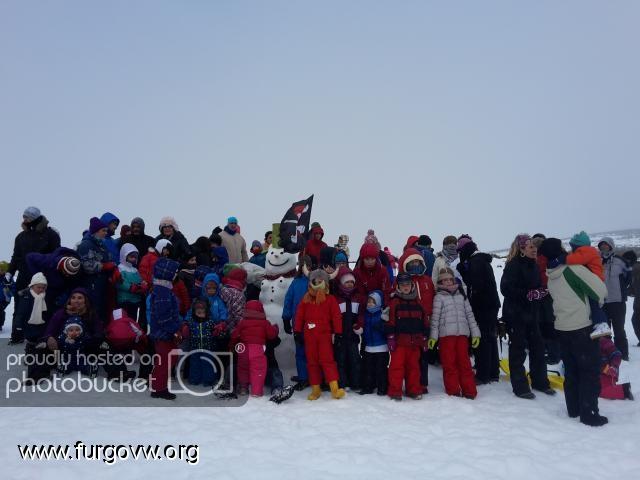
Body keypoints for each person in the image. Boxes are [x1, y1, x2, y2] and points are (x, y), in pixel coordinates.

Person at [540, 238, 609, 426]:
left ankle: (574, 408)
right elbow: (601, 291)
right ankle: (589, 414)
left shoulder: (550, 274)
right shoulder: (573, 270)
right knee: (589, 371)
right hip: (582, 327)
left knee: (571, 370)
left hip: (562, 328)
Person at [500, 234, 554, 399]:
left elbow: (536, 287)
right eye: (530, 247)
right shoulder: (512, 265)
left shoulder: (534, 265)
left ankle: (540, 382)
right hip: (516, 315)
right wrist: (527, 294)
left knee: (538, 348)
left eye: (534, 246)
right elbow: (505, 288)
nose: (534, 249)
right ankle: (520, 387)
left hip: (532, 314)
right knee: (518, 351)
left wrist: (540, 292)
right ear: (522, 249)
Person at [7, 207, 60, 343]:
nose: (24, 220)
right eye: (24, 217)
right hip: (24, 276)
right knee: (20, 306)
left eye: (27, 217)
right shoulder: (21, 236)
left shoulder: (51, 235)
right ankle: (17, 335)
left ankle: (43, 336)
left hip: (42, 277)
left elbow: (56, 256)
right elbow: (16, 256)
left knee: (43, 305)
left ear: (35, 218)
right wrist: (10, 272)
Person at [429, 268, 480, 399]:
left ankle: (469, 390)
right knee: (449, 364)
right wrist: (433, 337)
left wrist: (475, 333)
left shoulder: (461, 296)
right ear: (440, 282)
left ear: (453, 280)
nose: (447, 282)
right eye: (444, 280)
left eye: (449, 279)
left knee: (465, 363)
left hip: (462, 335)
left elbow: (470, 315)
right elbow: (435, 319)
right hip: (446, 336)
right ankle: (453, 390)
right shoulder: (439, 297)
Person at [294, 269, 345, 400]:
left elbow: (336, 317)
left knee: (327, 361)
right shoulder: (306, 299)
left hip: (324, 336)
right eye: (315, 280)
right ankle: (316, 389)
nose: (318, 282)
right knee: (312, 362)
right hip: (309, 336)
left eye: (321, 280)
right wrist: (297, 331)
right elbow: (299, 316)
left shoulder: (330, 299)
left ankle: (335, 389)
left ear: (326, 283)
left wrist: (338, 333)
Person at [456, 238, 501, 384]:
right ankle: (493, 371)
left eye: (460, 252)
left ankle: (483, 374)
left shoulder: (475, 262)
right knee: (490, 337)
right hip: (491, 304)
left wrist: (463, 272)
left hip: (483, 306)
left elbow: (476, 285)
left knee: (483, 339)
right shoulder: (481, 260)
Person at [385, 273, 428, 401]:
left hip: (415, 342)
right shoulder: (395, 302)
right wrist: (391, 337)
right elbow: (390, 321)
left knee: (414, 368)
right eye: (402, 285)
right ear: (398, 286)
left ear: (412, 285)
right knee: (396, 367)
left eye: (408, 284)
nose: (405, 287)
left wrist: (425, 337)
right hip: (399, 342)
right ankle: (395, 391)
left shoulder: (418, 302)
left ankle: (413, 390)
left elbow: (424, 321)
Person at [564, 231, 611, 339]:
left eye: (573, 246)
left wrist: (563, 258)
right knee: (592, 304)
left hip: (594, 282)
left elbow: (573, 260)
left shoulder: (587, 251)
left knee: (594, 303)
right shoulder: (586, 251)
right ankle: (598, 324)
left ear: (577, 245)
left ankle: (602, 324)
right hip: (593, 281)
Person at [149, 257, 182, 400]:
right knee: (165, 360)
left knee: (169, 358)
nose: (176, 274)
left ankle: (158, 385)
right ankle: (158, 388)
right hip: (163, 333)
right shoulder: (163, 292)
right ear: (167, 273)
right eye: (175, 272)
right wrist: (174, 329)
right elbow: (163, 316)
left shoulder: (164, 289)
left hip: (165, 332)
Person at [231, 300, 279, 397]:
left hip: (244, 349)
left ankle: (243, 388)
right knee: (258, 370)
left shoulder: (242, 322)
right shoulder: (264, 323)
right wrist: (275, 328)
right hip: (257, 349)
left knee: (243, 369)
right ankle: (256, 391)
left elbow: (234, 335)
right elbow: (271, 335)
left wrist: (231, 346)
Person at [77, 217, 116, 325]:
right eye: (103, 231)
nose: (105, 233)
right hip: (91, 284)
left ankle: (101, 331)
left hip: (102, 283)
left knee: (102, 310)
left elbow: (109, 258)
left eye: (106, 231)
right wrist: (104, 266)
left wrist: (113, 268)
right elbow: (86, 265)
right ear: (96, 231)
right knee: (93, 310)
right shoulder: (86, 245)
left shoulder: (102, 245)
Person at [599, 237, 632, 361]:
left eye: (606, 245)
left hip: (618, 301)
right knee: (605, 331)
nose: (604, 247)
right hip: (603, 302)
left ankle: (623, 355)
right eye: (601, 245)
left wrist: (622, 289)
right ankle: (608, 354)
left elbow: (628, 277)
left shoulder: (620, 261)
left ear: (611, 246)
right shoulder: (597, 261)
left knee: (619, 330)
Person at [282, 257, 311, 390]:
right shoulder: (296, 282)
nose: (305, 268)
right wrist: (286, 319)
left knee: (311, 351)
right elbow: (288, 300)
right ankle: (303, 377)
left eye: (307, 265)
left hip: (313, 323)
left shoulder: (314, 282)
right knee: (300, 351)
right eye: (303, 265)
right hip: (298, 323)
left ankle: (312, 377)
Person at [25, 247, 82, 313]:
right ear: (62, 266)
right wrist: (39, 277)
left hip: (61, 290)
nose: (67, 275)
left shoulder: (77, 268)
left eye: (70, 274)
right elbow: (29, 257)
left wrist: (67, 296)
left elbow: (74, 284)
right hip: (47, 288)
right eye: (66, 273)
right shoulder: (49, 260)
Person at [333, 267, 363, 391]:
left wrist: (359, 325)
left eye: (351, 282)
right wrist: (334, 332)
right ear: (341, 283)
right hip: (340, 336)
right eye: (347, 282)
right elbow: (333, 317)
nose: (350, 284)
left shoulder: (357, 297)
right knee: (341, 360)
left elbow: (361, 314)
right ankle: (342, 383)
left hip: (353, 336)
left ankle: (356, 382)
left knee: (354, 359)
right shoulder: (336, 299)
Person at [180, 298, 221, 386]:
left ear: (206, 312)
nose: (200, 314)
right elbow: (186, 332)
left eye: (202, 312)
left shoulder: (210, 322)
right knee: (195, 364)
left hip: (207, 347)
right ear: (194, 312)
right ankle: (194, 379)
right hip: (195, 347)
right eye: (198, 312)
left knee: (208, 363)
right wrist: (185, 330)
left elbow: (215, 331)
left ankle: (208, 380)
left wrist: (216, 331)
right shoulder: (191, 322)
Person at [360, 290, 388, 396]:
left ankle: (382, 388)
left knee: (381, 369)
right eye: (369, 301)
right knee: (368, 369)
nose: (370, 304)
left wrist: (382, 326)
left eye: (373, 302)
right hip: (369, 347)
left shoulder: (382, 314)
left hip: (381, 347)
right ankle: (368, 387)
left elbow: (387, 329)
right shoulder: (366, 314)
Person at [113, 243, 147, 321]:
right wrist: (130, 287)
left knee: (134, 320)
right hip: (124, 300)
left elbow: (140, 280)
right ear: (124, 256)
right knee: (125, 320)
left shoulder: (135, 270)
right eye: (131, 257)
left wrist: (143, 285)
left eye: (135, 257)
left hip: (136, 300)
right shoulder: (120, 268)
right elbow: (120, 283)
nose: (134, 259)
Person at [599, 335, 634, 401]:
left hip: (608, 371)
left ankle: (625, 390)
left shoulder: (604, 342)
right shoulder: (585, 343)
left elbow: (616, 354)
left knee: (600, 390)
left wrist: (613, 366)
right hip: (595, 372)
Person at [622, 250, 640, 346]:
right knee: (635, 321)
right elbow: (633, 289)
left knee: (636, 321)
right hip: (637, 304)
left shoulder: (634, 270)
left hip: (638, 304)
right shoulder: (635, 269)